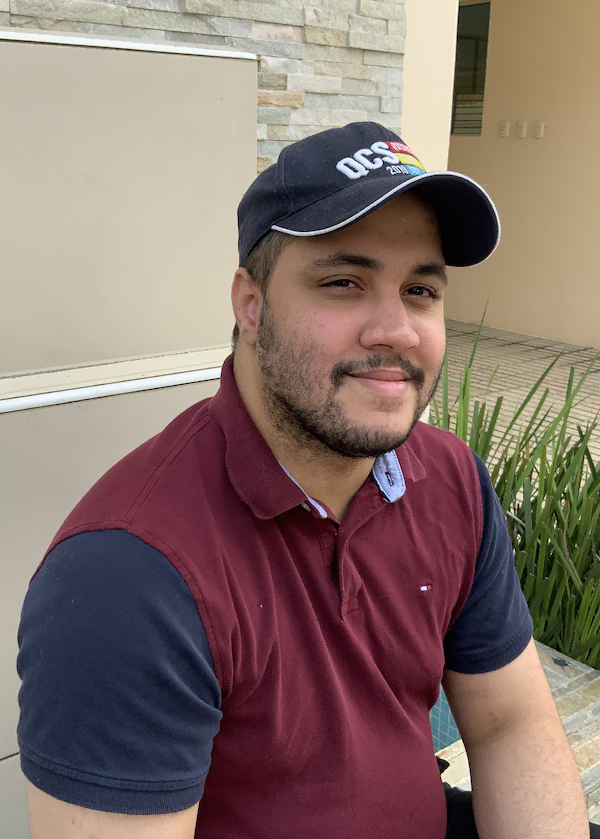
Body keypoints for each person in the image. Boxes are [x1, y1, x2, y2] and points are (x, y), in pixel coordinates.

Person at [17, 122, 596, 839]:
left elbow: (510, 723)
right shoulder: (127, 575)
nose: (398, 329)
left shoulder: (452, 481)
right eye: (344, 282)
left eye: (420, 289)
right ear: (250, 304)